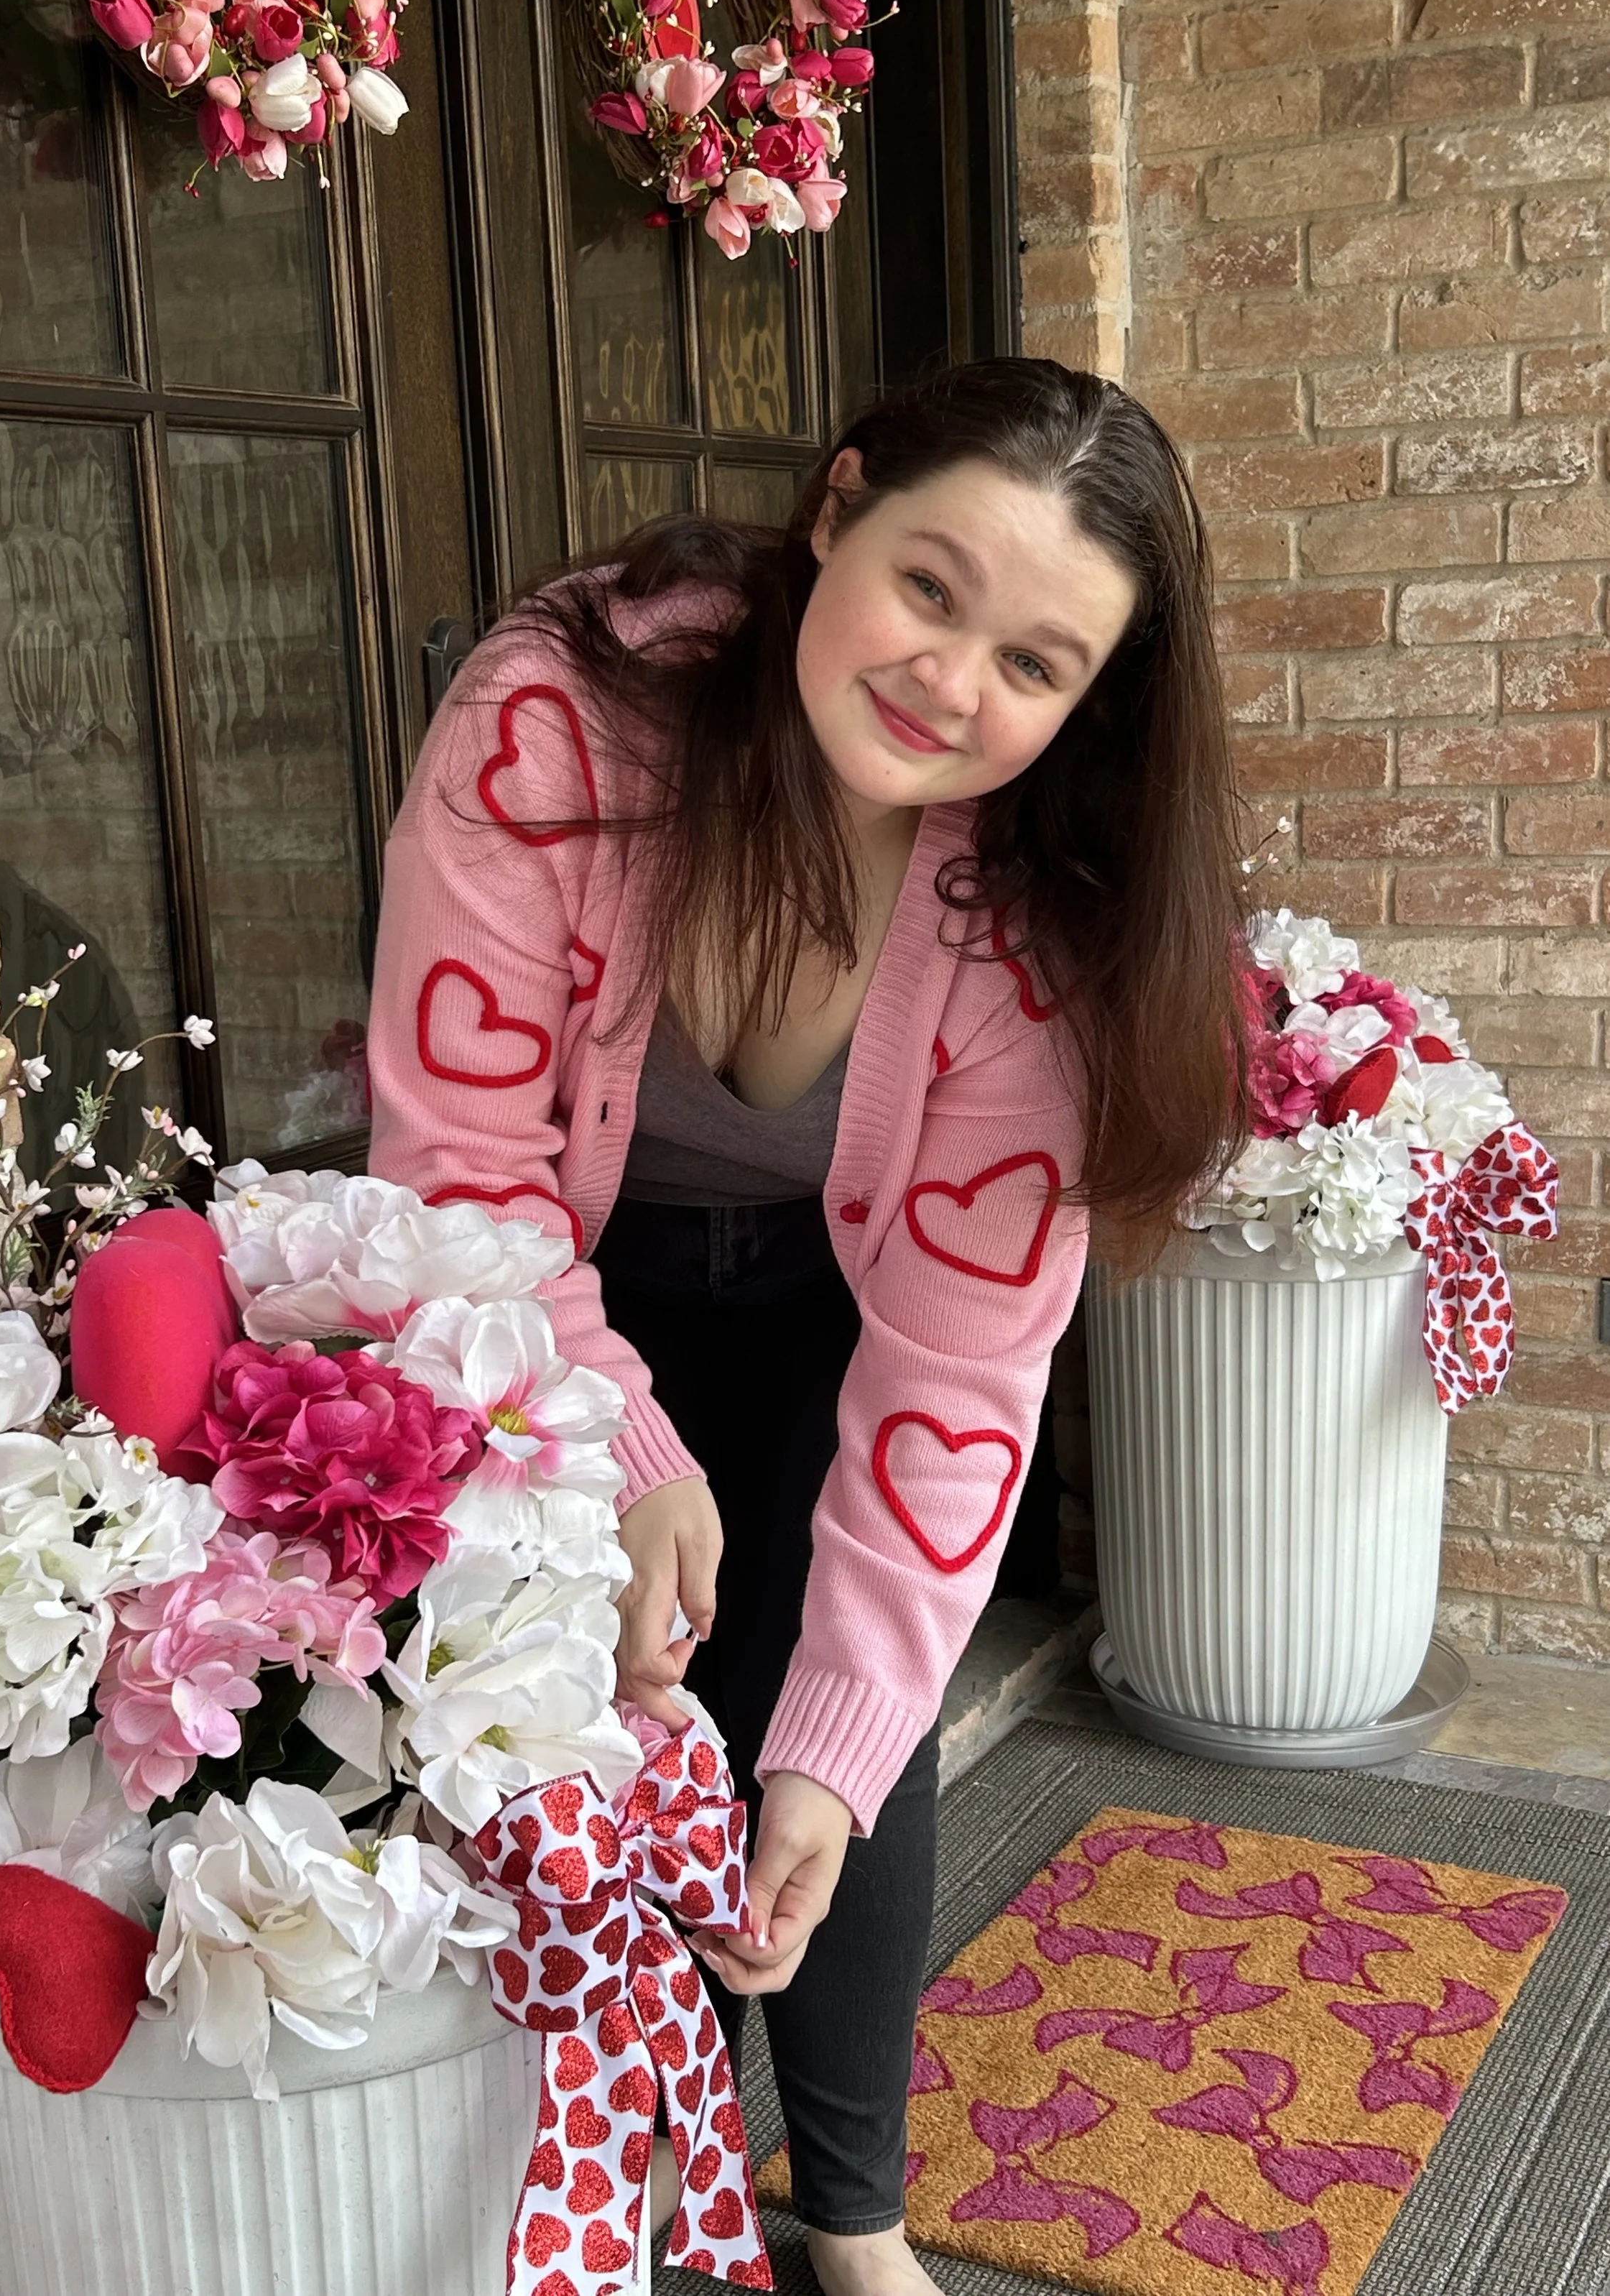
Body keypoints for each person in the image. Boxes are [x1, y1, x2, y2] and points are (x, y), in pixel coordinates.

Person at [367, 356, 1248, 2295]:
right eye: (931, 585)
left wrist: (836, 1750)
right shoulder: (563, 714)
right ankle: (625, 2186)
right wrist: (620, 1446)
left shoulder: (1042, 915)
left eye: (1033, 663)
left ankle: (851, 2217)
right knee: (592, 1701)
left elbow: (958, 1369)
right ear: (836, 508)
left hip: (830, 1301)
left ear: (1086, 706)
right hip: (532, 1288)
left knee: (839, 1714)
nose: (950, 682)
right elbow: (455, 1165)